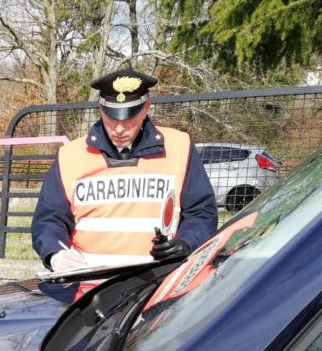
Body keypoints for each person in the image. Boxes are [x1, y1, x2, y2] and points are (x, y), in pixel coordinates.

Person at [32, 67, 218, 273]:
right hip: (88, 287)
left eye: (128, 118)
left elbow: (201, 213)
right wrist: (56, 254)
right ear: (101, 109)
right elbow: (49, 219)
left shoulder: (179, 147)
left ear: (146, 108)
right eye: (112, 118)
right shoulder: (70, 155)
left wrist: (186, 243)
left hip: (157, 283)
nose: (119, 128)